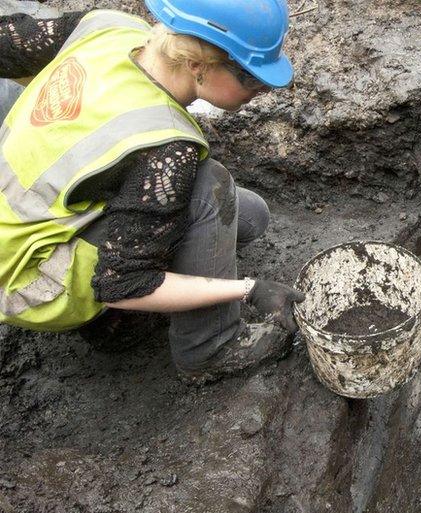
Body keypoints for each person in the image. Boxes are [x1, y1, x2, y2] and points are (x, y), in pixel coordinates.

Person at [0, 0, 306, 383]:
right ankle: (208, 348)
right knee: (210, 186)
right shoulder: (165, 150)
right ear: (197, 64)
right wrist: (248, 289)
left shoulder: (105, 28)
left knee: (249, 217)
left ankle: (117, 313)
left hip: (21, 220)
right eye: (250, 76)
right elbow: (121, 285)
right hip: (26, 278)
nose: (261, 88)